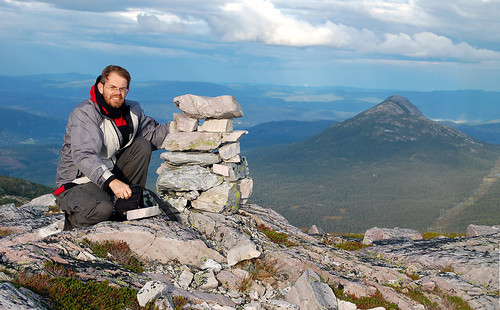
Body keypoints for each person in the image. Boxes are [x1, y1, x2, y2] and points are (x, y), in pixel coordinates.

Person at [54, 65, 170, 230]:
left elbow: (152, 135)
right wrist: (112, 182)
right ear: (101, 87)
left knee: (142, 145)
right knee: (103, 209)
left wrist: (185, 128)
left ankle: (127, 205)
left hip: (110, 172)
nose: (118, 93)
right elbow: (84, 156)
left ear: (127, 90)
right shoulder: (85, 113)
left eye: (122, 89)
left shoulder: (132, 111)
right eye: (113, 87)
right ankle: (70, 227)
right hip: (77, 183)